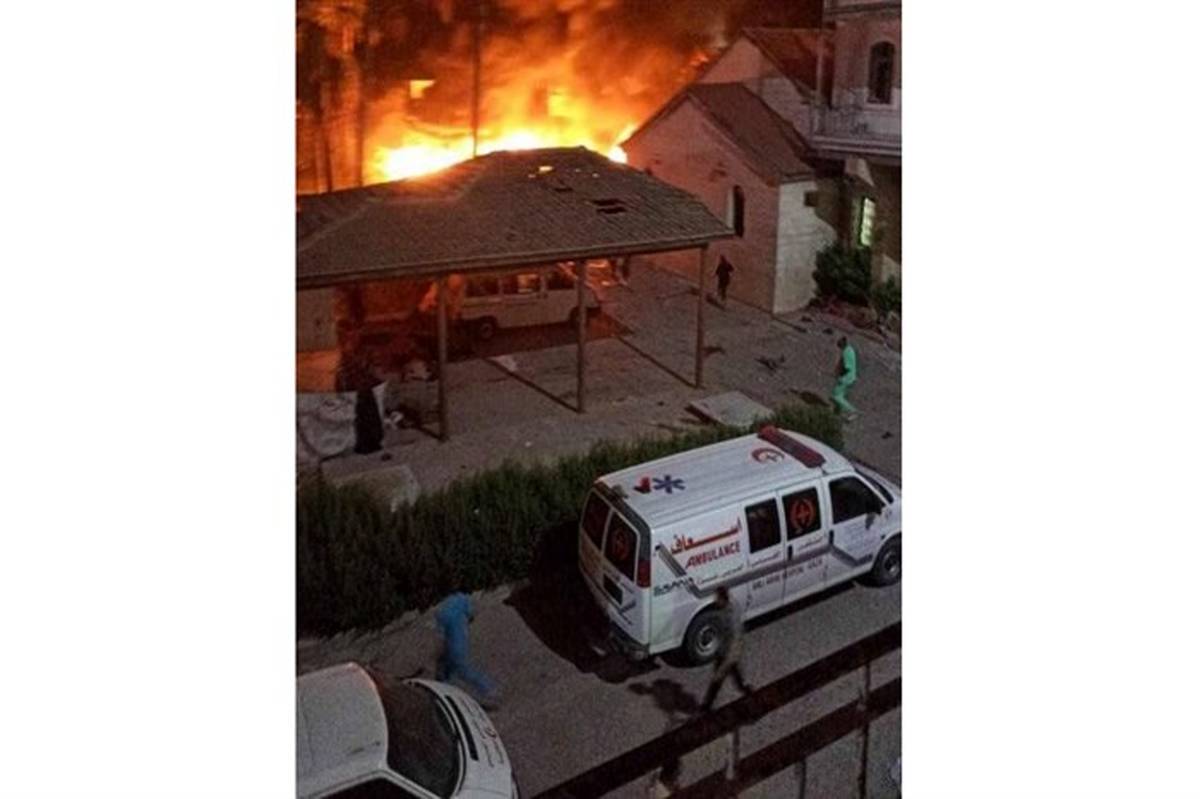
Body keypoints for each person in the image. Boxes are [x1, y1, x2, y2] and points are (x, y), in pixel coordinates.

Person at [435, 592, 499, 708]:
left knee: (461, 670)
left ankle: (488, 691)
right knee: (449, 670)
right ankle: (488, 691)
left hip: (452, 646)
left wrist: (438, 652)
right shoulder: (461, 598)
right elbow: (471, 615)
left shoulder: (441, 612)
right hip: (462, 640)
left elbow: (441, 637)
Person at [699, 586, 753, 712]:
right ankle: (748, 692)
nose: (715, 600)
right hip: (725, 650)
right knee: (736, 677)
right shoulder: (727, 607)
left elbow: (735, 638)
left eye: (717, 598)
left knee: (717, 679)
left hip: (729, 653)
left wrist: (728, 659)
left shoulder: (731, 615)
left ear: (723, 599)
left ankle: (706, 707)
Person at [831, 335, 859, 420]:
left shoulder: (846, 352)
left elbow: (846, 367)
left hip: (846, 378)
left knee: (836, 396)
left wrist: (839, 374)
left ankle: (852, 411)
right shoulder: (850, 350)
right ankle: (836, 413)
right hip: (850, 377)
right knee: (840, 395)